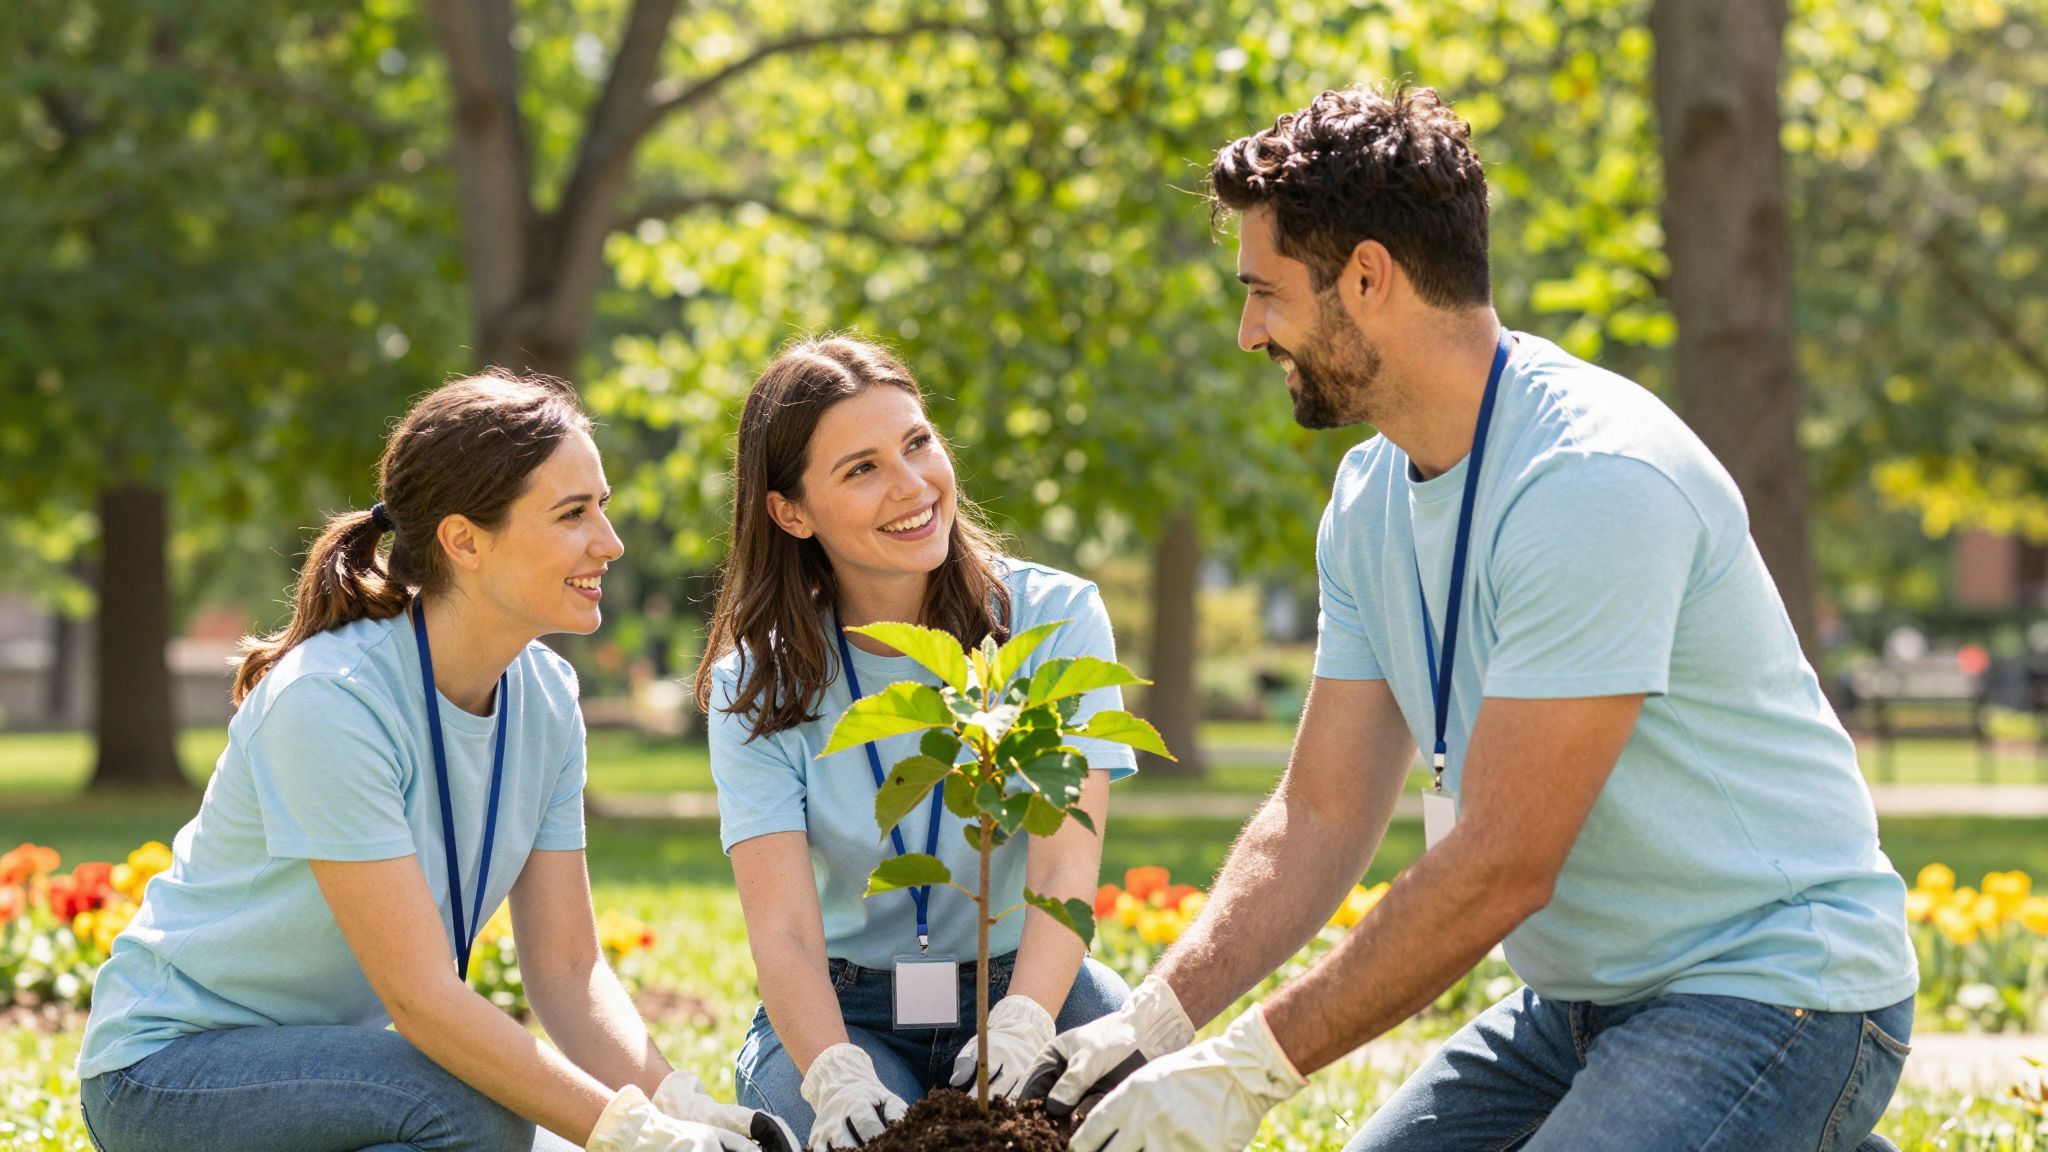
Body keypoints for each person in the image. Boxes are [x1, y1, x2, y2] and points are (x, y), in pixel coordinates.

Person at [1022, 84, 1918, 1152]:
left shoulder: (1590, 479)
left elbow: (1501, 863)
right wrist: (1153, 1024)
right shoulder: (1368, 498)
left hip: (1776, 990)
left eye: (1264, 293)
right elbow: (1318, 815)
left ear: (1367, 277)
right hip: (1573, 1007)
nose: (1247, 332)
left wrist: (1247, 1070)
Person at [76, 371, 797, 1152]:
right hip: (166, 1073)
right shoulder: (331, 699)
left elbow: (567, 968)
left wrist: (680, 1109)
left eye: (603, 505)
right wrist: (639, 1137)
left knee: (526, 1128)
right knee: (483, 1112)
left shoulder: (546, 697)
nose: (610, 541)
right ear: (464, 541)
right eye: (572, 514)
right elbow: (421, 1002)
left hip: (329, 1074)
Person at [693, 335, 1134, 1150]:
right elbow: (784, 931)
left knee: (1132, 1109)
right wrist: (833, 1073)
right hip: (846, 1013)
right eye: (861, 468)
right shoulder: (755, 684)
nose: (912, 485)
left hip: (1031, 982)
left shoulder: (1052, 620)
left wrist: (1025, 1022)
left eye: (918, 442)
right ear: (791, 512)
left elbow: (1064, 870)